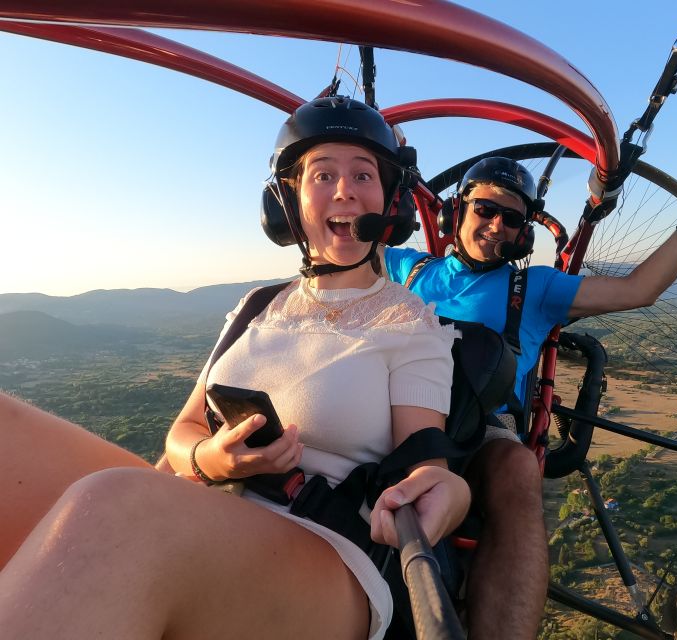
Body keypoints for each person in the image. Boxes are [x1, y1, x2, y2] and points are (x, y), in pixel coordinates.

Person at [0, 96, 468, 640]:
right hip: (203, 506)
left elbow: (426, 464)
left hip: (330, 553)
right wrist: (211, 459)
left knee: (118, 512)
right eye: (323, 174)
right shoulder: (257, 305)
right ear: (287, 203)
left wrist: (446, 493)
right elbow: (185, 431)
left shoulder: (409, 322)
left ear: (389, 202)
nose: (345, 189)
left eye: (363, 174)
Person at [382, 148, 677, 639]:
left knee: (517, 467)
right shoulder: (401, 268)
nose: (497, 225)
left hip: (480, 428)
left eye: (511, 219)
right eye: (486, 210)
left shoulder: (534, 288)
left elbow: (638, 290)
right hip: (390, 411)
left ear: (523, 233)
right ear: (456, 212)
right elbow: (329, 260)